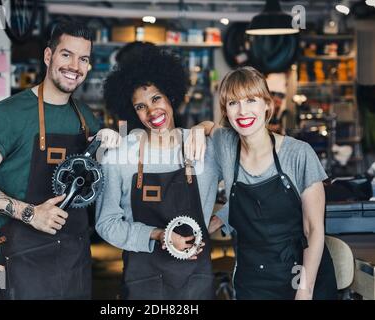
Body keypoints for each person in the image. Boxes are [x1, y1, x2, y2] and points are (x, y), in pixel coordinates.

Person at [0, 20, 118, 300]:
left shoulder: (86, 117)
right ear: (48, 56)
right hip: (23, 263)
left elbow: (99, 176)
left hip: (74, 262)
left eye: (83, 59)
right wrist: (32, 214)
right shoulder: (7, 115)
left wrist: (111, 139)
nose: (74, 66)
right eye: (66, 55)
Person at [96, 47, 228, 300]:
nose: (151, 111)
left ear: (171, 96)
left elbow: (250, 181)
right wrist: (157, 235)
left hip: (195, 280)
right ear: (131, 112)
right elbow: (107, 223)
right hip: (143, 280)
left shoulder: (203, 147)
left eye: (156, 98)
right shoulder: (120, 156)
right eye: (140, 106)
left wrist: (219, 221)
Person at [204, 66, 337, 300]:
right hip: (252, 278)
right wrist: (197, 130)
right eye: (233, 103)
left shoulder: (298, 154)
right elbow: (208, 127)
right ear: (225, 110)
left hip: (300, 276)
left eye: (251, 100)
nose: (243, 111)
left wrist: (304, 292)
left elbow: (313, 230)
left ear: (267, 105)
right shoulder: (224, 145)